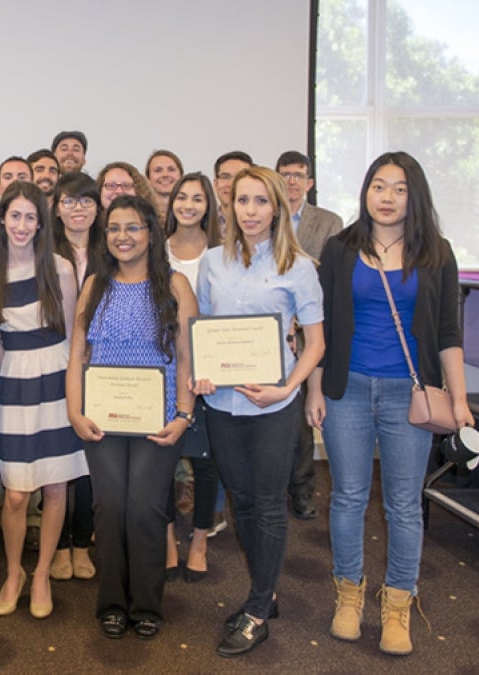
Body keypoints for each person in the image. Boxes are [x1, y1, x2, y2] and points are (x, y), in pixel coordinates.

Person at [306, 151, 470, 656]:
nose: (387, 196)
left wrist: (460, 401)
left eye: (399, 188)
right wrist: (314, 389)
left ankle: (398, 605)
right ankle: (349, 596)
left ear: (413, 195)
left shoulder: (436, 252)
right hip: (347, 388)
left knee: (403, 505)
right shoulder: (339, 248)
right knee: (349, 497)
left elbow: (447, 332)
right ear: (366, 191)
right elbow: (323, 325)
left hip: (411, 394)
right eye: (379, 185)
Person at [193, 166, 324, 657]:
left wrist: (288, 387)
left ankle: (256, 606)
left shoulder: (299, 267)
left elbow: (316, 343)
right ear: (230, 206)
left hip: (273, 406)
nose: (249, 211)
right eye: (241, 201)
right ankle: (263, 593)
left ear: (277, 208)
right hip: (223, 403)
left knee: (268, 503)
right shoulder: (211, 262)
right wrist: (202, 373)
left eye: (259, 201)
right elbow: (203, 328)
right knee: (241, 501)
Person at [66, 195, 196, 641]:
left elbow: (186, 359)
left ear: (151, 233)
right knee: (110, 509)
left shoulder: (175, 285)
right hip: (101, 419)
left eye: (133, 227)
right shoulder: (94, 285)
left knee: (144, 509)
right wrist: (74, 411)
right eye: (115, 228)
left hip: (157, 421)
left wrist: (184, 415)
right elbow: (78, 356)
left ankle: (146, 605)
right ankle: (112, 603)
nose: (123, 237)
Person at [0, 181, 86, 619]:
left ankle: (41, 574)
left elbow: (76, 334)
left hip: (56, 380)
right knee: (17, 494)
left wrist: (74, 393)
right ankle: (13, 573)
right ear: (1, 219)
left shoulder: (59, 268)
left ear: (41, 223)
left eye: (30, 217)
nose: (22, 225)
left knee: (57, 485)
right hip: (14, 385)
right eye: (14, 215)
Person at [160, 172, 223, 582]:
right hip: (164, 364)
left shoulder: (222, 252)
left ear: (208, 206)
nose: (187, 205)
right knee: (162, 457)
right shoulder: (156, 249)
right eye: (181, 197)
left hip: (212, 369)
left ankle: (199, 541)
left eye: (197, 198)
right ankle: (167, 540)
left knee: (206, 462)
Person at [276, 150, 344, 520]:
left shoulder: (330, 222)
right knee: (276, 414)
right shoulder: (263, 215)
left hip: (312, 329)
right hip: (272, 331)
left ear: (310, 182)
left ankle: (302, 489)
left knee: (304, 416)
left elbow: (332, 276)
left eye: (299, 175)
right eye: (285, 174)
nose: (292, 181)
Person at [48, 172, 102, 580]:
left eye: (86, 200)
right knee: (59, 458)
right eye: (69, 201)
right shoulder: (44, 251)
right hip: (55, 363)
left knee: (89, 458)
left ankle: (81, 542)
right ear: (57, 207)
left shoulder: (112, 250)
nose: (78, 208)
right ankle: (60, 544)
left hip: (103, 367)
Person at [213, 151, 254, 233]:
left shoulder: (260, 223)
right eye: (225, 177)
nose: (232, 184)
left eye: (240, 177)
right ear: (215, 184)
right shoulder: (204, 222)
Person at [145, 150, 184, 220]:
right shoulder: (140, 213)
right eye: (158, 170)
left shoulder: (189, 211)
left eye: (171, 169)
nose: (165, 175)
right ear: (148, 178)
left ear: (181, 176)